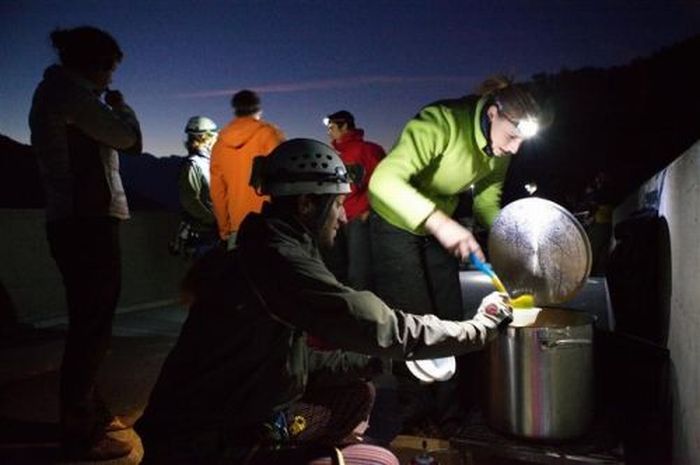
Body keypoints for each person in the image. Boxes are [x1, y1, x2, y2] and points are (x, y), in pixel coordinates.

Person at [134, 138, 512, 465]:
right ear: (305, 206)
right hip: (208, 443)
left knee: (357, 394)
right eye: (337, 205)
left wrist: (381, 362)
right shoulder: (279, 261)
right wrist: (477, 328)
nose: (344, 218)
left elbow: (294, 364)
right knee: (380, 460)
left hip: (234, 415)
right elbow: (380, 327)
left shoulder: (268, 246)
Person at [367, 75, 541, 437]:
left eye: (523, 140)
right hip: (396, 222)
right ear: (492, 113)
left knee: (447, 313)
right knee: (413, 319)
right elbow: (383, 181)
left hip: (438, 224)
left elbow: (487, 199)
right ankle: (413, 414)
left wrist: (508, 241)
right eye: (512, 136)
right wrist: (440, 223)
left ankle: (449, 411)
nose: (515, 149)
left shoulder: (497, 151)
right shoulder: (440, 122)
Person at [28, 26, 142, 460]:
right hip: (85, 222)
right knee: (91, 326)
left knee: (90, 322)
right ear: (93, 63)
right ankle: (80, 427)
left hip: (75, 220)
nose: (111, 78)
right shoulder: (71, 97)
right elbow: (130, 141)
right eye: (109, 68)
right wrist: (123, 108)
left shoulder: (59, 93)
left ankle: (88, 413)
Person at [210, 89, 284, 249]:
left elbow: (217, 192)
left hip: (237, 226)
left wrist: (224, 229)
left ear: (235, 110)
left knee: (239, 272)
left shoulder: (220, 145)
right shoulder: (270, 135)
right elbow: (284, 177)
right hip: (270, 223)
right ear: (259, 110)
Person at [323, 110, 385, 290]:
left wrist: (369, 209)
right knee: (339, 268)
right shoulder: (334, 154)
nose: (329, 132)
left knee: (360, 271)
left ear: (345, 126)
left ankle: (365, 311)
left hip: (359, 217)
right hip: (338, 218)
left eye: (332, 127)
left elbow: (383, 181)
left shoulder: (368, 149)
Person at [170, 116, 219, 259]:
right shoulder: (194, 164)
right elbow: (190, 200)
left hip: (212, 233)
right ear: (205, 137)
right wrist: (213, 220)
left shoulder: (209, 163)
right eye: (215, 136)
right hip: (204, 235)